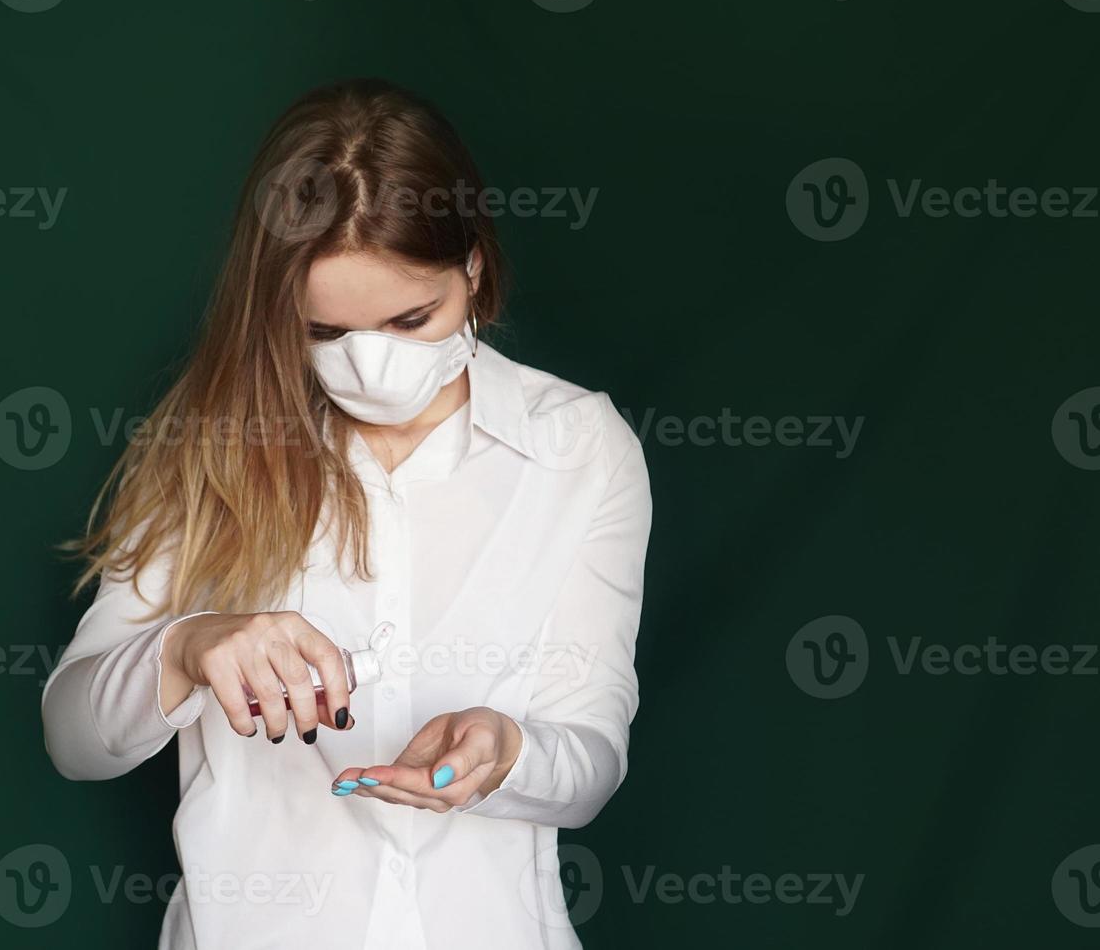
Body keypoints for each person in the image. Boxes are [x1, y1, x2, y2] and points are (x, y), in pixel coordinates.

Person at [41, 76, 653, 950]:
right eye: (325, 333)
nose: (373, 368)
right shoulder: (210, 442)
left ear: (473, 269)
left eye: (413, 318)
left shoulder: (579, 448)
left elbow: (591, 757)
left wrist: (508, 751)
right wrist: (186, 646)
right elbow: (74, 737)